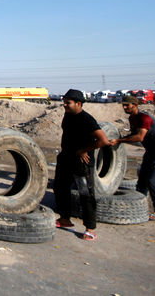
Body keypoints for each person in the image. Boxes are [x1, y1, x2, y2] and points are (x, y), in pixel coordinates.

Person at [52, 89, 110, 241]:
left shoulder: (87, 120)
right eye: (64, 102)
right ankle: (65, 219)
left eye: (68, 103)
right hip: (66, 157)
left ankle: (90, 228)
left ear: (78, 104)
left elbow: (104, 141)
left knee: (85, 193)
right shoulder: (68, 115)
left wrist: (83, 150)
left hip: (81, 162)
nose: (64, 105)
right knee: (60, 187)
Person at [112, 95, 155, 220]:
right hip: (149, 153)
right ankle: (139, 207)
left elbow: (139, 137)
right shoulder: (132, 118)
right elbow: (133, 134)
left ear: (135, 105)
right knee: (142, 182)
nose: (125, 107)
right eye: (124, 105)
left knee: (154, 182)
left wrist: (119, 140)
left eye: (127, 105)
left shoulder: (145, 118)